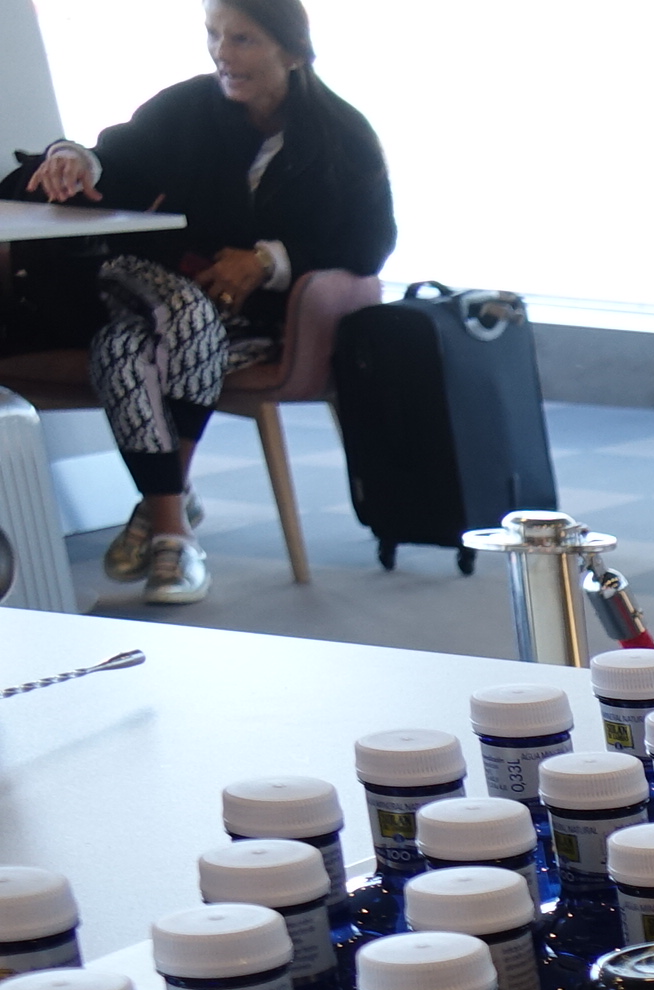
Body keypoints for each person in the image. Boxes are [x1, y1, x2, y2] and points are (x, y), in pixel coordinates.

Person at [7, 0, 393, 607]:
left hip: (261, 324)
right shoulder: (188, 106)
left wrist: (268, 259)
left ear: (291, 52)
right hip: (165, 299)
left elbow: (370, 244)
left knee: (124, 351)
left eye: (242, 40)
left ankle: (164, 513)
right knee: (166, 323)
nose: (222, 53)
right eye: (213, 36)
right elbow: (116, 157)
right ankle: (174, 533)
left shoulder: (342, 135)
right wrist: (73, 154)